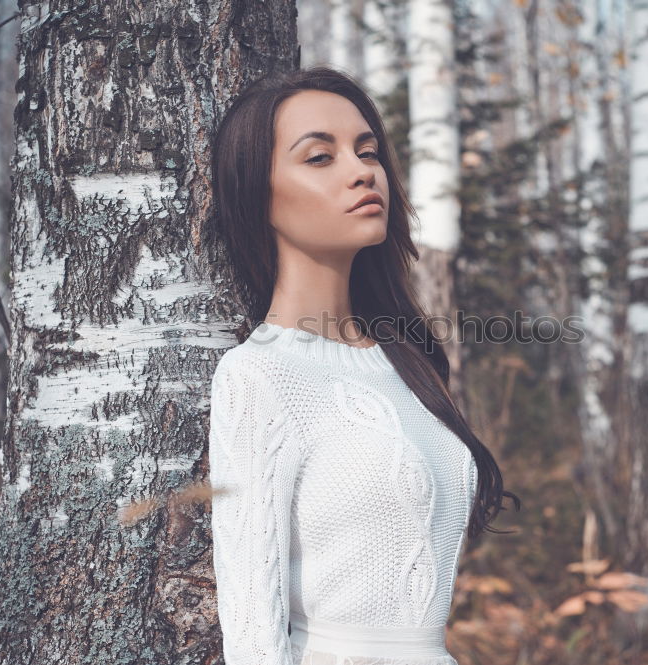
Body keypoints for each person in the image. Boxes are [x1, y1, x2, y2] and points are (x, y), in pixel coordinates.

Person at [207, 65, 520, 665]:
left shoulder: (405, 360)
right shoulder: (259, 377)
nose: (361, 170)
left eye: (367, 150)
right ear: (258, 193)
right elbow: (251, 632)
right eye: (320, 157)